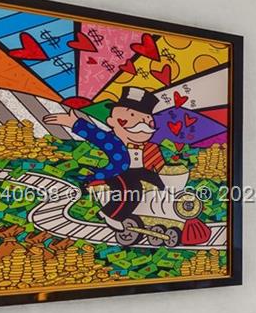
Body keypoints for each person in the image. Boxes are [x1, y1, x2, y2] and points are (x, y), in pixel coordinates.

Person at [44, 86, 165, 223]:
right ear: (111, 122)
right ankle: (110, 215)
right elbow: (95, 134)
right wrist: (74, 123)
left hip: (135, 170)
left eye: (147, 120)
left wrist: (159, 181)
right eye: (131, 116)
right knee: (131, 189)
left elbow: (141, 168)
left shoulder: (145, 146)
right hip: (115, 172)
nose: (141, 123)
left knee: (153, 178)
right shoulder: (112, 141)